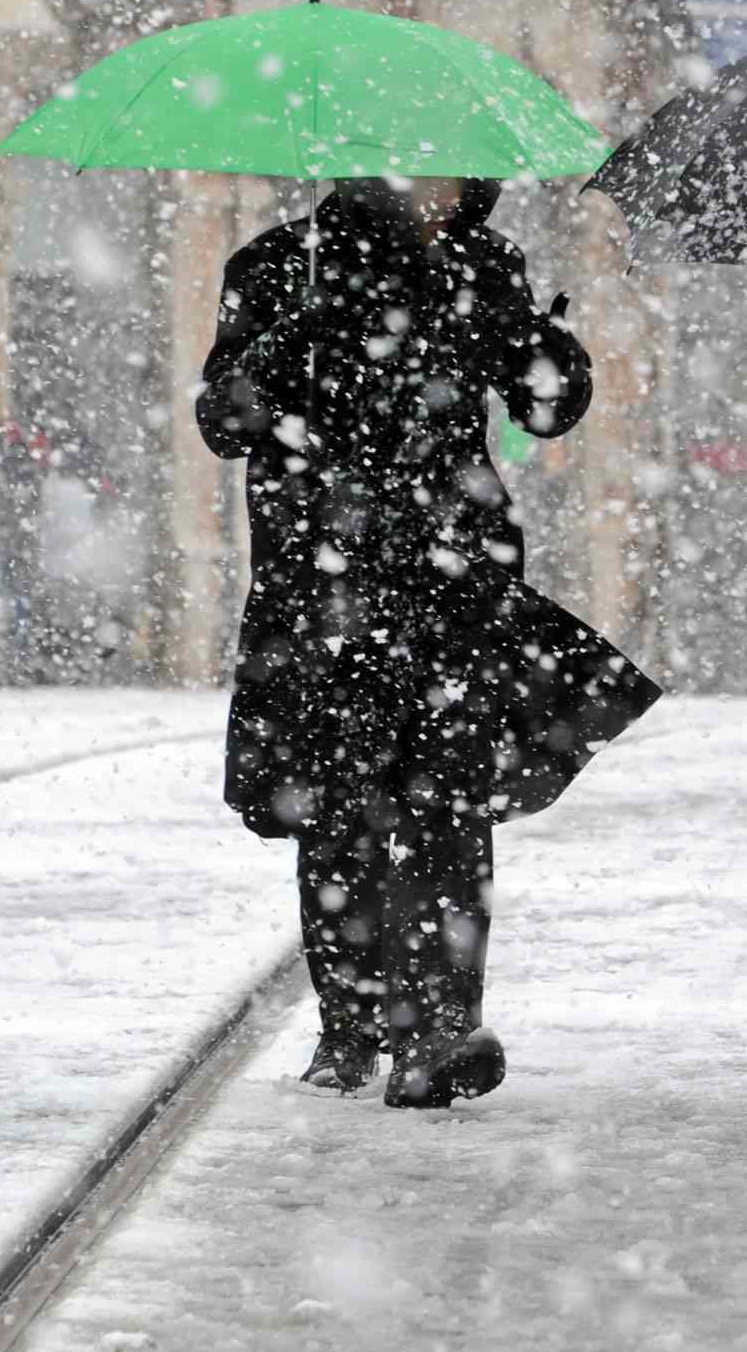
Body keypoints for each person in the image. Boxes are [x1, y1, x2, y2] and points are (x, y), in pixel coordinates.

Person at [197, 175, 660, 1109]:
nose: (448, 192)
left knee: (448, 805)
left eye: (459, 175)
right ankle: (351, 1025)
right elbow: (226, 421)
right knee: (336, 809)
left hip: (451, 586)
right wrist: (302, 332)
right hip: (320, 588)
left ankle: (439, 1030)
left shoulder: (484, 263)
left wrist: (531, 335)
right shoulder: (281, 263)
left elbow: (546, 408)